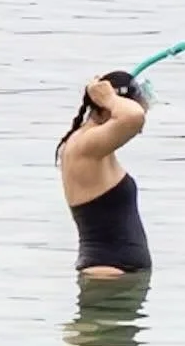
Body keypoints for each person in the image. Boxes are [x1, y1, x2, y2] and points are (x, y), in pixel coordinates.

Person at [55, 72, 153, 277]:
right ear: (108, 109)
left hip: (114, 278)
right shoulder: (84, 146)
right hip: (107, 277)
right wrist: (109, 98)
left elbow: (133, 117)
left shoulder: (92, 146)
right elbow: (133, 117)